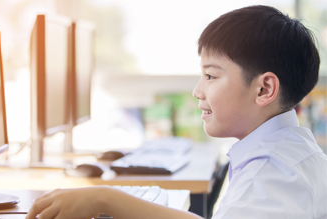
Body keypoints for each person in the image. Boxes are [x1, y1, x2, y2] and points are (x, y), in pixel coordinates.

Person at [26, 5, 327, 219]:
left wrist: (106, 198)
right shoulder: (288, 151)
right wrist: (108, 199)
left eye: (211, 76)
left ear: (263, 90)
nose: (198, 91)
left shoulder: (273, 175)